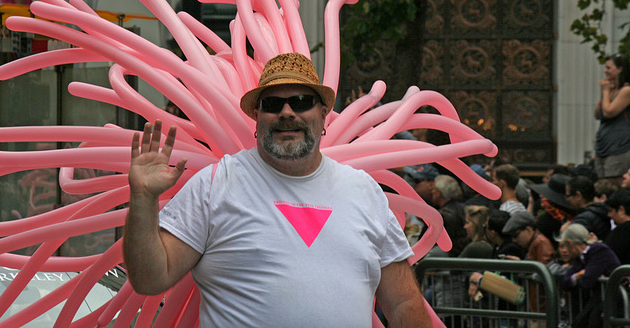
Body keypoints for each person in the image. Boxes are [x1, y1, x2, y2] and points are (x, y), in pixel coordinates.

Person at [123, 52, 432, 326]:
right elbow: (151, 278)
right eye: (272, 104)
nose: (287, 113)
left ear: (324, 113)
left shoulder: (363, 190)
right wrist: (143, 199)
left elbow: (403, 303)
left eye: (300, 102)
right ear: (257, 117)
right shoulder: (215, 184)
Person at [557, 223, 620, 328]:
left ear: (570, 243)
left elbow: (587, 282)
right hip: (600, 299)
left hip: (614, 299)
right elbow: (564, 283)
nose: (565, 250)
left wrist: (583, 278)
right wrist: (577, 276)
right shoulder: (581, 258)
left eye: (565, 246)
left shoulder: (598, 250)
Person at [594, 53, 630, 180]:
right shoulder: (611, 90)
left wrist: (605, 91)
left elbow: (609, 112)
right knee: (601, 183)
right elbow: (598, 114)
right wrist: (605, 93)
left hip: (619, 147)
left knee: (613, 183)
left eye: (609, 68)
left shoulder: (626, 91)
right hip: (603, 146)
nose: (605, 71)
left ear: (620, 69)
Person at [565, 175, 611, 241]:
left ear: (578, 195)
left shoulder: (583, 220)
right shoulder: (603, 211)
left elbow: (572, 245)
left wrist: (564, 231)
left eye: (568, 196)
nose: (567, 200)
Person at [604, 189, 630, 264]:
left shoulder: (621, 232)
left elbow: (606, 255)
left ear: (621, 210)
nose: (609, 215)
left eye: (610, 211)